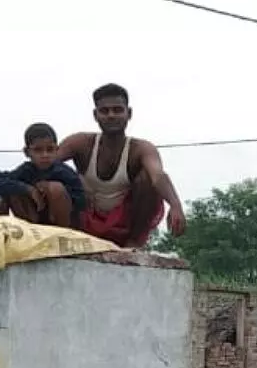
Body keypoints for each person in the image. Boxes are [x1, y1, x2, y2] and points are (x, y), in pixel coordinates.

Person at [56, 83, 186, 248]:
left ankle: (133, 244)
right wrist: (74, 180)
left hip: (123, 222)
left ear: (129, 113)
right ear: (95, 115)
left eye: (117, 110)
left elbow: (158, 176)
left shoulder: (141, 148)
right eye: (105, 111)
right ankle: (60, 239)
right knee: (53, 184)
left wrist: (175, 205)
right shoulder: (80, 143)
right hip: (85, 218)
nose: (111, 116)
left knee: (147, 180)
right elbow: (45, 165)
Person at [6, 123, 86, 229]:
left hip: (64, 221)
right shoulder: (26, 170)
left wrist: (48, 191)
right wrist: (29, 190)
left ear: (56, 150)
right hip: (36, 219)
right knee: (13, 189)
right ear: (27, 152)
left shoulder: (64, 172)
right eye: (38, 150)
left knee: (55, 188)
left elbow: (81, 201)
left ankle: (62, 234)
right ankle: (29, 230)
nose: (45, 155)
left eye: (50, 149)